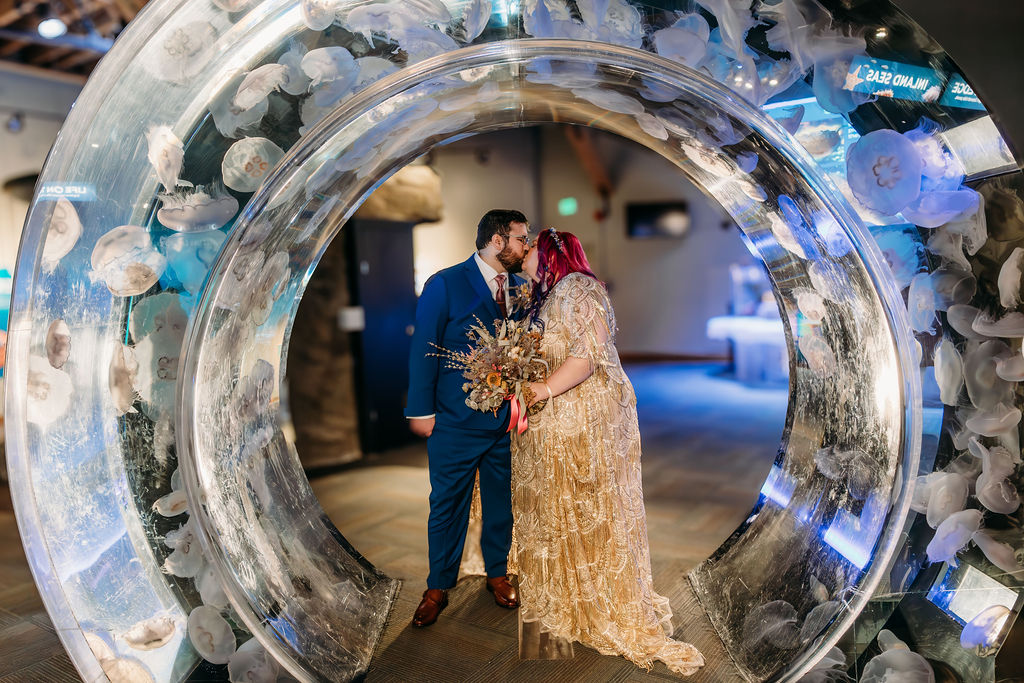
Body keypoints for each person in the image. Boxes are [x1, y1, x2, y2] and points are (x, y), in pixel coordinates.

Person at [512, 228, 705, 675]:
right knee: (568, 507)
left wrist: (540, 388)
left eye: (532, 246)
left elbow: (588, 356)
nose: (525, 253)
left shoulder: (579, 289)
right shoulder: (547, 293)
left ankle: (599, 600)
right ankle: (573, 598)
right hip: (559, 414)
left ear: (551, 254)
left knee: (591, 504)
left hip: (584, 417)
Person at [405, 209, 531, 627]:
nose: (525, 246)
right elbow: (425, 349)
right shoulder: (445, 284)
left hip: (502, 422)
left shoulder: (519, 287)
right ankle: (437, 586)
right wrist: (421, 410)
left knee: (501, 504)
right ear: (497, 240)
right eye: (520, 238)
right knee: (446, 504)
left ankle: (497, 573)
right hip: (454, 421)